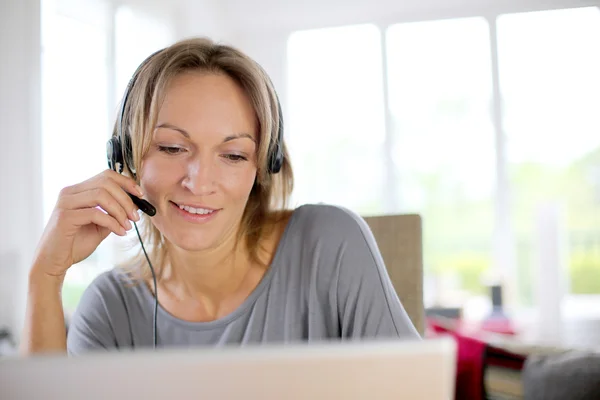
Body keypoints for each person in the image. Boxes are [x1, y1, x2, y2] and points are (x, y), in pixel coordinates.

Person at [21, 37, 419, 355]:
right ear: (125, 156)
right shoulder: (110, 308)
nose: (200, 182)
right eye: (173, 148)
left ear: (263, 167)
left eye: (233, 155)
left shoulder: (330, 244)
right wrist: (45, 277)